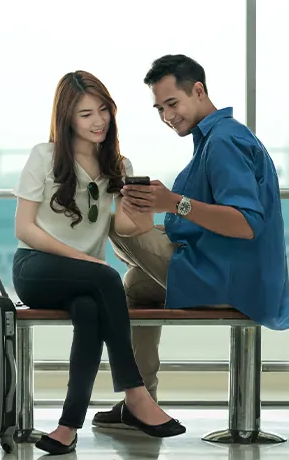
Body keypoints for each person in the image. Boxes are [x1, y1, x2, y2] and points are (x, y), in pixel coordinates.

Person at [92, 54, 289, 429]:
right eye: (159, 108)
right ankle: (140, 400)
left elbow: (246, 223)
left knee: (115, 220)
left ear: (198, 90)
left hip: (231, 277)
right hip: (225, 265)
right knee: (133, 287)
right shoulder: (215, 138)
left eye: (173, 103)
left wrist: (172, 203)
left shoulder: (224, 142)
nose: (167, 116)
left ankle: (78, 272)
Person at [13, 70, 187, 455]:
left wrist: (141, 211)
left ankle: (67, 426)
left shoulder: (117, 165)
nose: (98, 121)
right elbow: (24, 228)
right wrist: (81, 259)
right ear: (67, 119)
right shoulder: (44, 157)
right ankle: (136, 394)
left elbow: (124, 226)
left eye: (103, 110)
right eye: (86, 114)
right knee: (107, 279)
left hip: (86, 281)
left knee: (91, 312)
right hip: (36, 269)